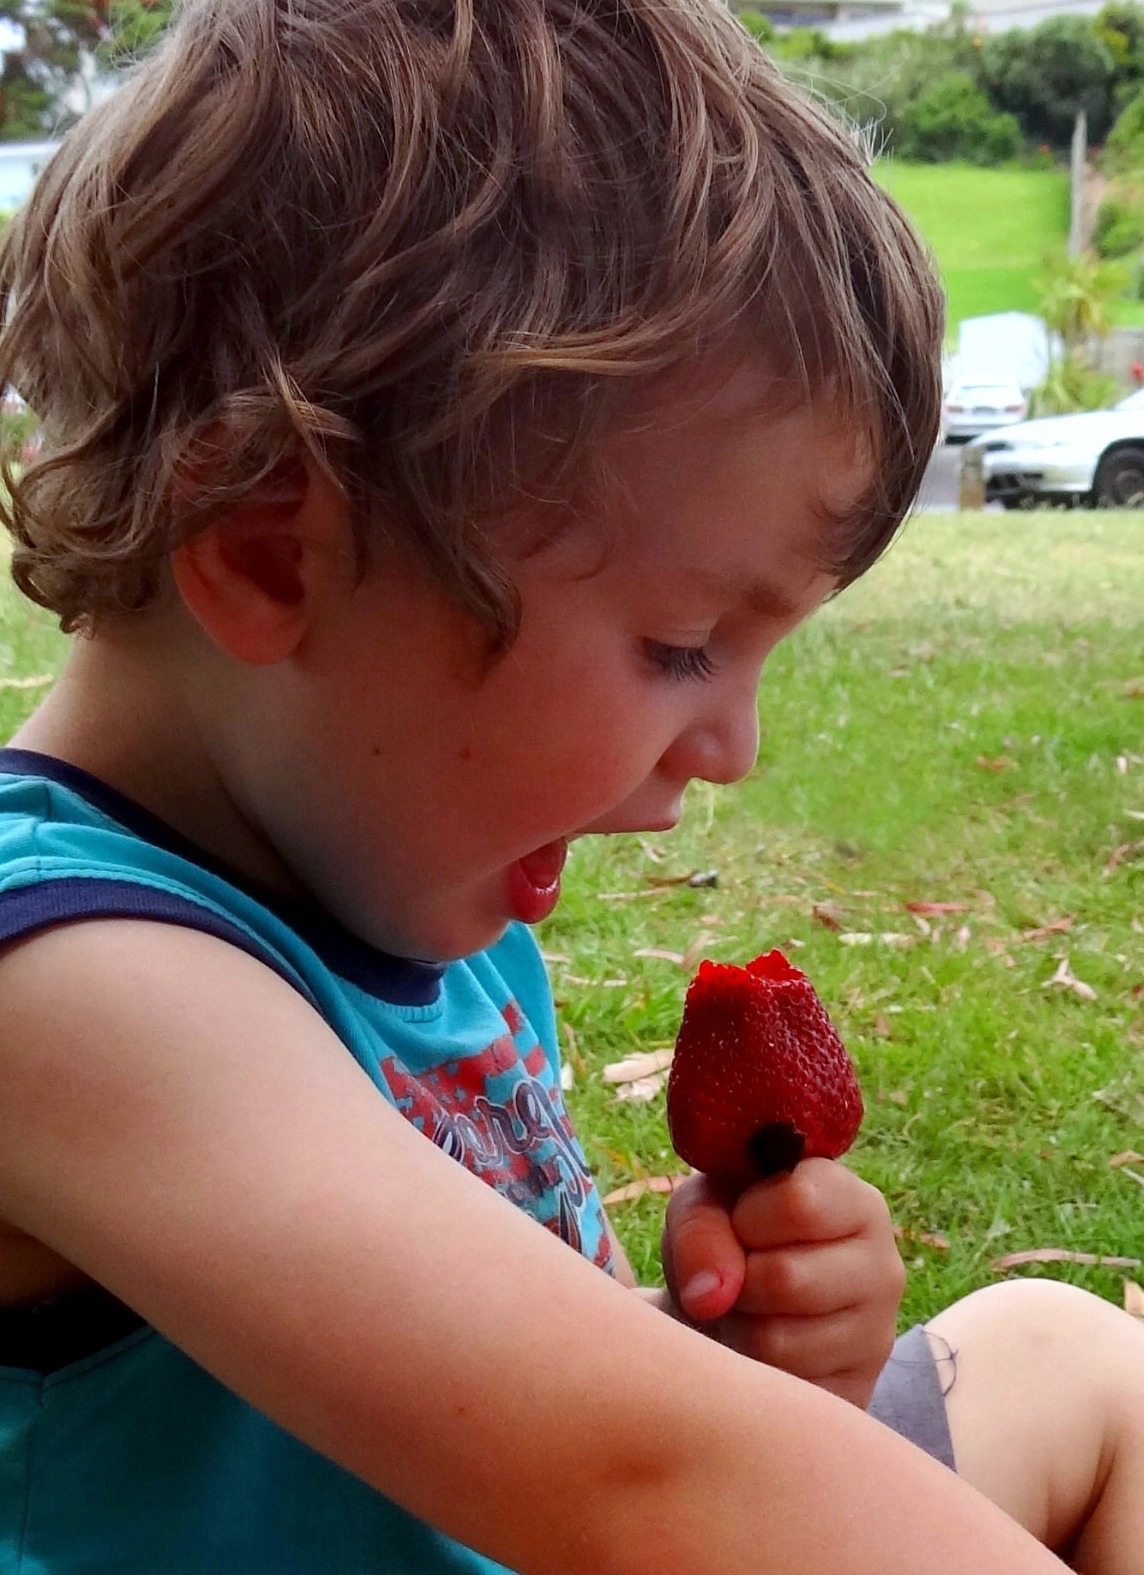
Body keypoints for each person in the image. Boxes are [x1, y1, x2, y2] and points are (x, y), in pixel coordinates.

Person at [0, 0, 1137, 1570]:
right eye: (680, 645)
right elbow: (634, 1480)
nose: (731, 748)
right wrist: (695, 1424)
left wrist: (711, 1348)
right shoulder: (65, 988)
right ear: (274, 549)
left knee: (1073, 1360)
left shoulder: (412, 895)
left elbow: (513, 1407)